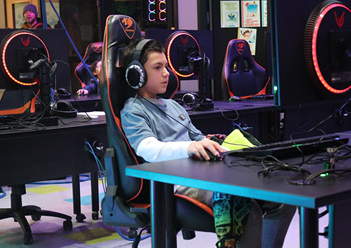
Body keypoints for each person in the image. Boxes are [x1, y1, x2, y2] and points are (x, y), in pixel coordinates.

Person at [120, 38, 296, 248]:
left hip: (204, 174)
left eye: (166, 66)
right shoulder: (133, 110)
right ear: (136, 74)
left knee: (282, 198)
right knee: (248, 208)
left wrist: (234, 153)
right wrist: (188, 147)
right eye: (157, 68)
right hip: (176, 184)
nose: (166, 73)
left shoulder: (173, 106)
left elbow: (199, 139)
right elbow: (147, 149)